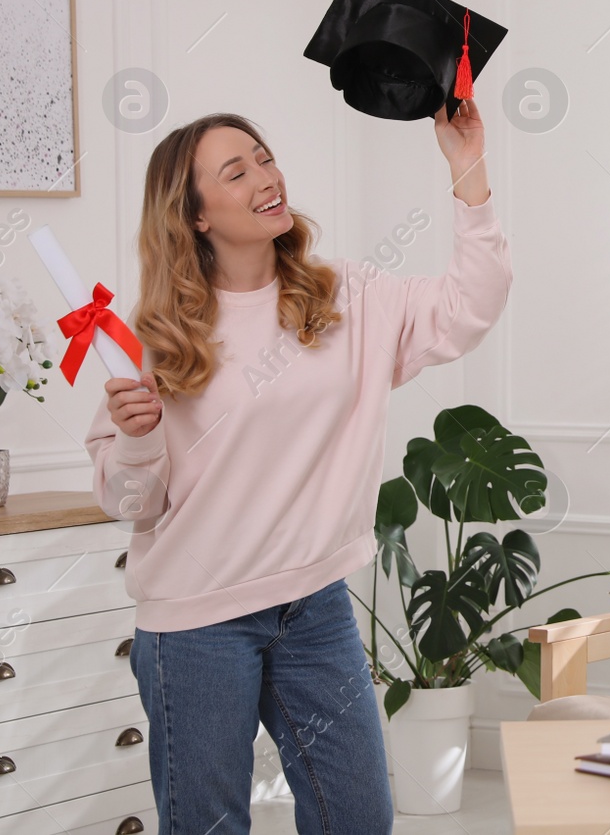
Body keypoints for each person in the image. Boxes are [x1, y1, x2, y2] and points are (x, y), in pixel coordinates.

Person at [84, 97, 510, 834]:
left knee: (357, 818)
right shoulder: (153, 332)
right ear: (195, 215)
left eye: (264, 156)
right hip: (196, 623)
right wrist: (135, 439)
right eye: (236, 170)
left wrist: (466, 166)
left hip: (314, 608)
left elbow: (471, 303)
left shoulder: (347, 297)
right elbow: (132, 502)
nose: (265, 175)